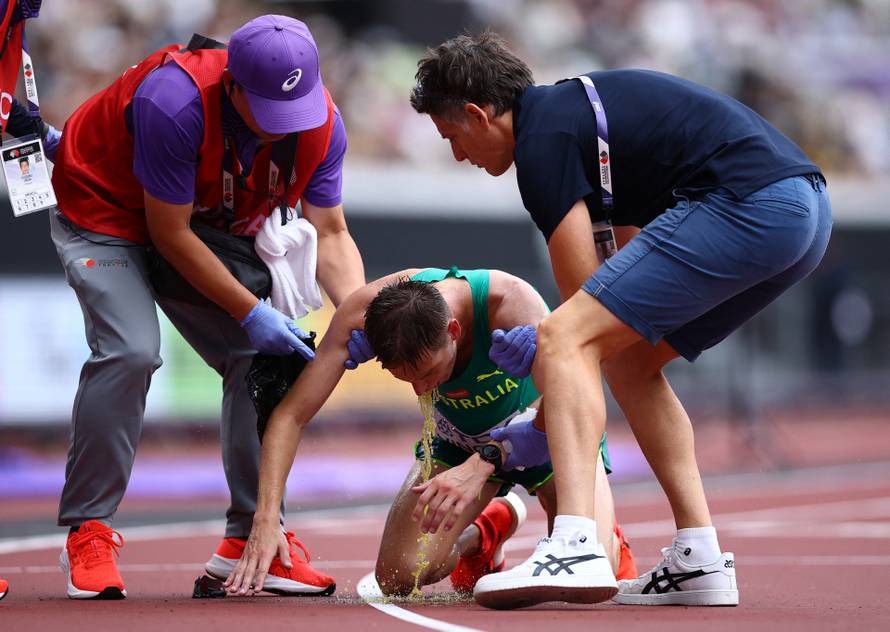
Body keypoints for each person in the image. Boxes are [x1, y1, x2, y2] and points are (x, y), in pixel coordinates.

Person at [409, 32, 831, 608]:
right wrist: (550, 391)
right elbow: (612, 297)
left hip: (751, 203)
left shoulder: (542, 143)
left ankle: (577, 543)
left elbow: (578, 311)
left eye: (453, 137)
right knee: (630, 362)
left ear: (480, 115)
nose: (459, 155)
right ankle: (700, 556)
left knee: (565, 335)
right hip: (804, 214)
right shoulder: (578, 123)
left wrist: (531, 420)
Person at [49, 15, 364, 599]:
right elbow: (167, 236)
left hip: (199, 223)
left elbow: (334, 233)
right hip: (105, 212)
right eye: (269, 113)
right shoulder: (175, 102)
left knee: (264, 358)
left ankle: (250, 540)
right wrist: (251, 311)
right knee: (131, 350)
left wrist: (364, 313)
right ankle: (88, 529)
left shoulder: (321, 123)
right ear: (233, 88)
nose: (281, 131)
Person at [222, 266, 637, 597]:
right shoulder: (361, 314)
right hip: (459, 442)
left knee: (591, 569)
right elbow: (290, 416)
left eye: (428, 372)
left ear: (453, 331)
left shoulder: (514, 304)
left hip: (546, 436)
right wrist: (265, 520)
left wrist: (490, 459)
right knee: (398, 578)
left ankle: (606, 531)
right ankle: (487, 530)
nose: (423, 390)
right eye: (405, 380)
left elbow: (577, 407)